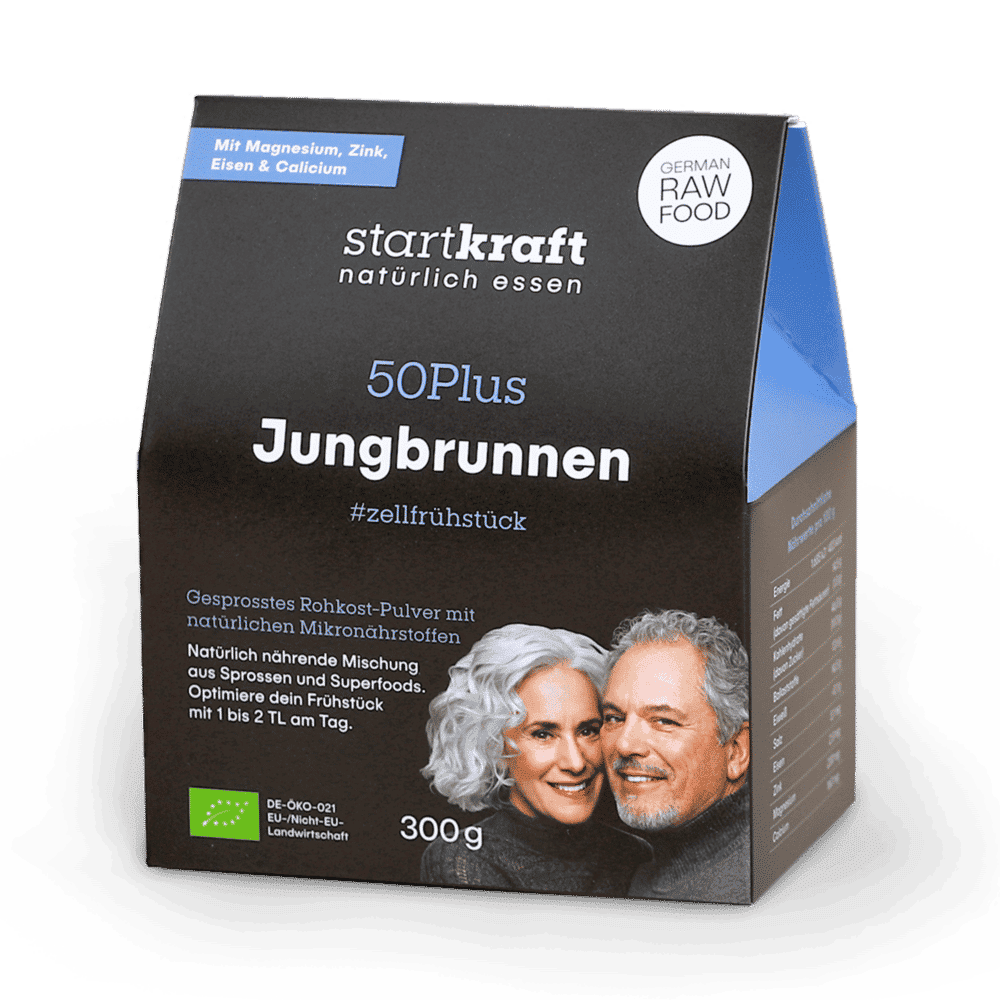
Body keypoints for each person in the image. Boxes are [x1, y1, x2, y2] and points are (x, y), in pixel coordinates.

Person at [420, 623, 651, 894]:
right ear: (494, 746)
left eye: (588, 730)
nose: (575, 763)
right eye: (543, 734)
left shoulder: (635, 853)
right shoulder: (463, 859)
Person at [601, 609, 751, 902]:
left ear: (736, 751)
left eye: (664, 721)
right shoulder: (638, 869)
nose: (625, 745)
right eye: (614, 718)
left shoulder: (746, 884)